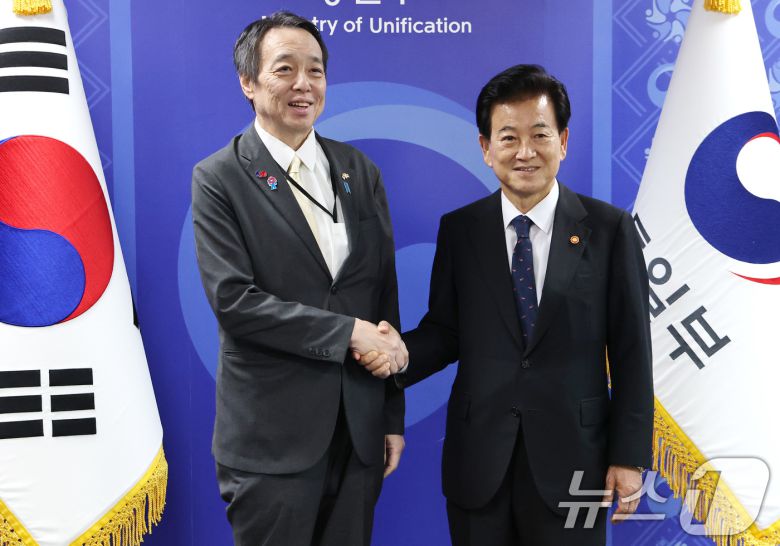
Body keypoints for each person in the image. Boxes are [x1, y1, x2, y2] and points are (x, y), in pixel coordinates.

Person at [360, 64, 654, 545]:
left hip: (577, 463)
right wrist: (397, 354)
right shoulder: (461, 229)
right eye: (508, 137)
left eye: (539, 135)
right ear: (485, 147)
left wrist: (629, 456)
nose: (524, 152)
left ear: (563, 141)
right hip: (479, 463)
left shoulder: (609, 230)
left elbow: (632, 351)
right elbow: (446, 331)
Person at [192, 11, 407, 546]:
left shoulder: (359, 170)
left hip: (358, 431)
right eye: (285, 69)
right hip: (272, 441)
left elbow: (382, 296)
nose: (303, 84)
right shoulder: (219, 177)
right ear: (248, 82)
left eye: (315, 70)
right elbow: (234, 301)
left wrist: (390, 414)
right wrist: (348, 333)